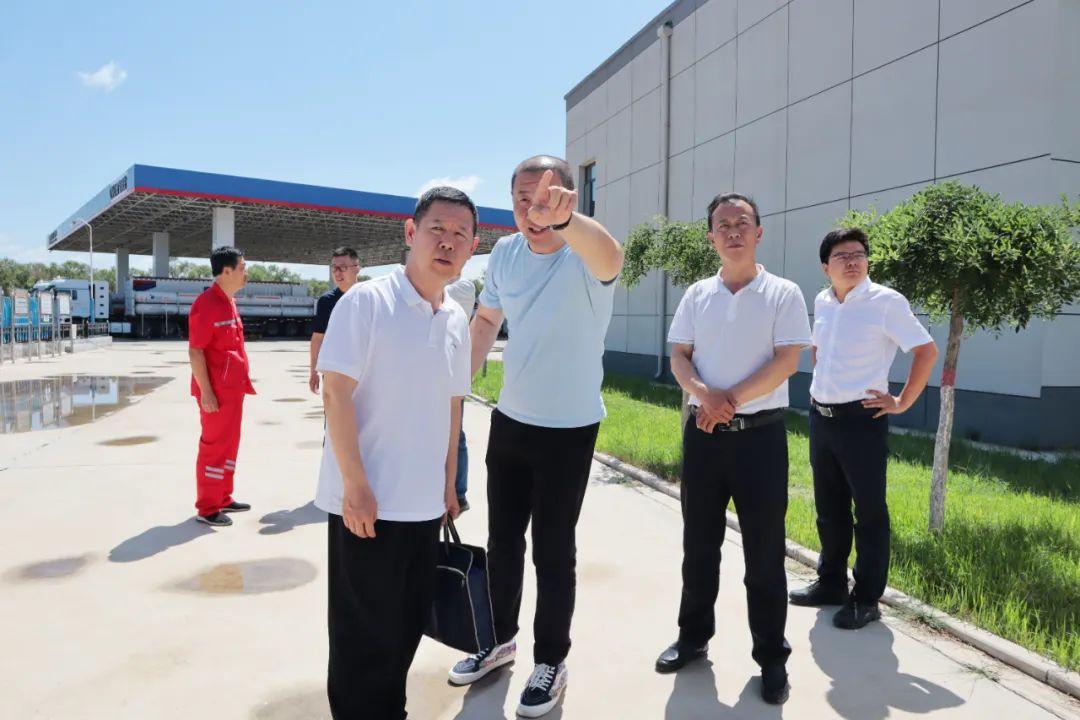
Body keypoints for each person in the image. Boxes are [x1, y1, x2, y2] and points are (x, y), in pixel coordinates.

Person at [447, 156, 623, 719]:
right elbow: (485, 321)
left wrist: (565, 221)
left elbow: (612, 257)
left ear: (568, 199)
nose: (532, 210)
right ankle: (499, 641)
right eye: (522, 199)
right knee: (503, 541)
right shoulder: (505, 253)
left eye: (545, 198)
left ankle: (550, 660)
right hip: (512, 421)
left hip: (569, 427)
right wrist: (454, 387)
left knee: (553, 547)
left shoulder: (584, 252)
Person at [315, 186, 478, 720]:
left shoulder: (454, 318)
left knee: (405, 628)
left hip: (423, 507)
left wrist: (450, 485)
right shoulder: (367, 302)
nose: (447, 242)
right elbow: (335, 393)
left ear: (473, 247)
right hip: (368, 507)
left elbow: (453, 406)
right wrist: (355, 486)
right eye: (437, 230)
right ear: (411, 233)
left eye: (460, 234)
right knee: (362, 640)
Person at [654, 193, 810, 705]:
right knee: (698, 546)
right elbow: (679, 356)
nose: (733, 231)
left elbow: (787, 361)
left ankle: (771, 658)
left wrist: (728, 401)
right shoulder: (697, 294)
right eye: (723, 225)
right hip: (703, 436)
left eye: (742, 222)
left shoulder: (783, 293)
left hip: (760, 439)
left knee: (764, 554)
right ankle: (693, 638)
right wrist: (706, 397)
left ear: (759, 232)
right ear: (711, 237)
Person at [789, 228, 938, 629]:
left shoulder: (886, 302)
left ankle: (867, 598)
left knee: (869, 511)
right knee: (829, 507)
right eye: (842, 256)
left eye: (858, 254)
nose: (852, 261)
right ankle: (831, 583)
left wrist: (901, 401)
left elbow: (926, 351)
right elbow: (819, 349)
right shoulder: (822, 301)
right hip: (821, 418)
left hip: (861, 421)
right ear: (826, 267)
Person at [187, 246, 255, 527]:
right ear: (226, 271)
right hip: (215, 394)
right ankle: (207, 508)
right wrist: (206, 393)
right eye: (242, 267)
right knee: (214, 448)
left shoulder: (228, 301)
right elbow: (196, 352)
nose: (245, 272)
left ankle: (223, 497)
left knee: (229, 446)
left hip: (233, 391)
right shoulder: (206, 304)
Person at [309, 247, 362, 395]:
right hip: (335, 372)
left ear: (357, 268)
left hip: (364, 373)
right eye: (334, 268)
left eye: (343, 267)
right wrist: (314, 371)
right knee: (334, 410)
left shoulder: (369, 297)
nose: (337, 273)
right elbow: (318, 338)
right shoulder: (326, 301)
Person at [444, 275, 477, 511]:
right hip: (441, 373)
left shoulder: (464, 287)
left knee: (456, 435)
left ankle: (458, 491)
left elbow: (437, 296)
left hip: (453, 374)